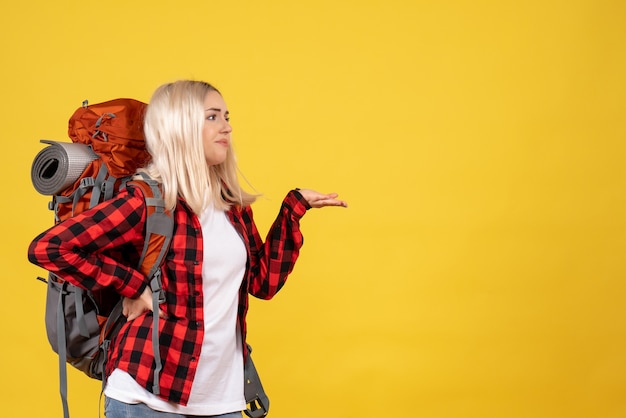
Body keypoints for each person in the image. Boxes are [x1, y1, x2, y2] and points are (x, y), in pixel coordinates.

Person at [28, 79, 347, 418]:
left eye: (226, 116)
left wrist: (293, 210)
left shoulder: (232, 205)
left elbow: (262, 284)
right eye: (212, 117)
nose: (226, 126)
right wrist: (133, 286)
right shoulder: (148, 200)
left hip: (221, 398)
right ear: (181, 128)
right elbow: (49, 248)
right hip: (146, 395)